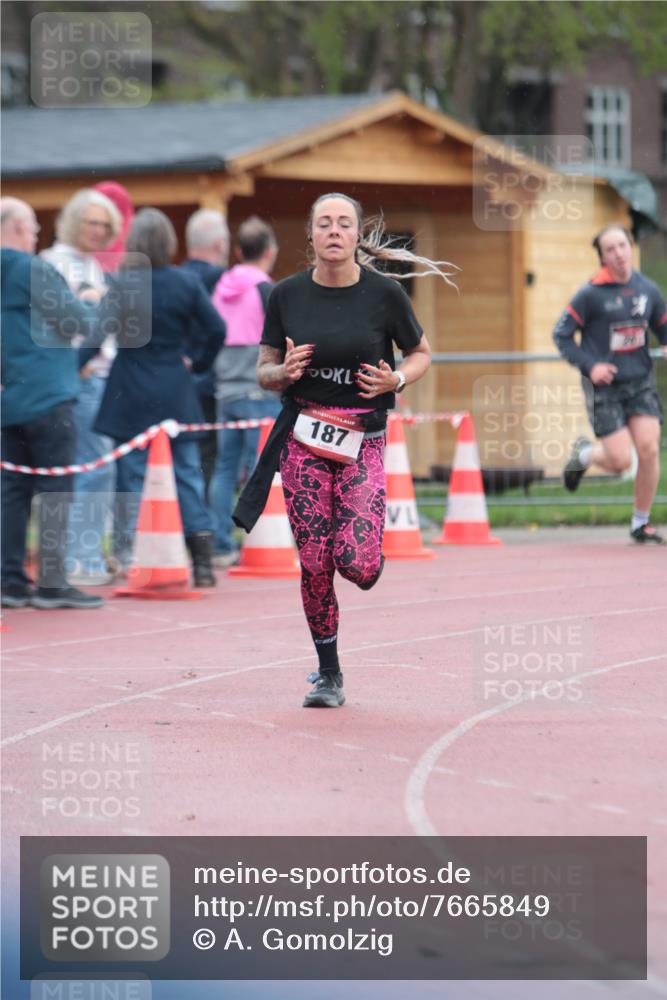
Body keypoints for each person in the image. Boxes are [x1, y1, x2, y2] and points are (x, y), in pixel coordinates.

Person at [234, 192, 456, 708]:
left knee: (356, 563)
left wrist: (397, 379)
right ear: (310, 236)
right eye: (324, 223)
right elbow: (263, 370)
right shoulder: (285, 296)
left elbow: (421, 353)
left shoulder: (385, 295)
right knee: (315, 560)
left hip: (363, 439)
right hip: (303, 438)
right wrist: (282, 371)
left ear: (357, 235)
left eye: (343, 223)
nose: (334, 231)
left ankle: (366, 551)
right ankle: (329, 674)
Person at [93, 208, 226, 587]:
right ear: (169, 242)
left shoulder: (122, 285)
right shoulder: (186, 282)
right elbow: (217, 328)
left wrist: (72, 370)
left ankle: (141, 558)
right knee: (186, 474)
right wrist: (197, 363)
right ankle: (202, 564)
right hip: (175, 389)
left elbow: (95, 337)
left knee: (134, 477)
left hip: (129, 391)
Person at [1, 197, 103, 610]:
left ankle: (9, 581)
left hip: (11, 395)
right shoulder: (33, 268)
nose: (36, 235)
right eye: (33, 228)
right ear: (18, 227)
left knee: (12, 491)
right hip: (49, 393)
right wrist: (90, 297)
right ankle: (52, 582)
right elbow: (78, 322)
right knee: (56, 488)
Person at [554, 224, 667, 543]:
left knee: (648, 448)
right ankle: (585, 455)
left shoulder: (648, 290)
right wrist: (591, 366)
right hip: (604, 387)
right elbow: (561, 335)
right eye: (610, 249)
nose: (618, 253)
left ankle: (640, 523)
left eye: (622, 245)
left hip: (640, 381)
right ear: (603, 257)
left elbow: (663, 326)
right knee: (620, 461)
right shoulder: (590, 294)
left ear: (631, 247)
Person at [41, 188, 123, 585]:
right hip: (80, 378)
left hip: (98, 376)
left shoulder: (92, 265)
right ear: (74, 221)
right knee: (94, 468)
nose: (99, 230)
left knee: (90, 469)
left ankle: (80, 556)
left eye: (105, 225)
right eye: (92, 222)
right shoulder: (53, 264)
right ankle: (82, 560)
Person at [209, 216, 280, 567]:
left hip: (226, 389)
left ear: (238, 252)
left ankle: (221, 545)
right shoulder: (266, 290)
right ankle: (260, 542)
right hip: (258, 389)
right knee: (260, 468)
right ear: (270, 252)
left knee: (225, 468)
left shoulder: (221, 287)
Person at [180, 208, 230, 498]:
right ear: (220, 244)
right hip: (210, 382)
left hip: (176, 384)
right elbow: (220, 330)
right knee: (210, 457)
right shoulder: (223, 280)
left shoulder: (176, 278)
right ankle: (205, 517)